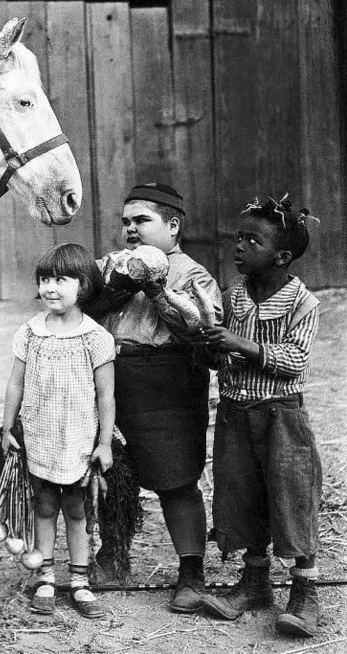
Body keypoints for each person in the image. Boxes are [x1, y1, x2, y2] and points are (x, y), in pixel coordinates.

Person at [85, 182, 222, 613]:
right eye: (125, 221)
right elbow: (79, 306)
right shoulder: (113, 265)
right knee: (111, 467)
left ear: (173, 225)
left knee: (176, 478)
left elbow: (203, 332)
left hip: (167, 380)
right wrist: (111, 286)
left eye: (142, 220)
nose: (130, 229)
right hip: (109, 377)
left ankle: (191, 574)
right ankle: (112, 555)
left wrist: (157, 287)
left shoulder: (193, 274)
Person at [198, 195, 322, 637]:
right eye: (239, 237)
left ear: (282, 256)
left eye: (252, 241)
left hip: (281, 417)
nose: (239, 247)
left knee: (290, 496)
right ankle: (254, 583)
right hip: (235, 413)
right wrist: (212, 344)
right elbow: (221, 361)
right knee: (240, 493)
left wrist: (240, 344)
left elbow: (295, 361)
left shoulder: (301, 302)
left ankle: (304, 591)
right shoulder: (231, 298)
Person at [2, 243, 115, 619]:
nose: (50, 288)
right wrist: (7, 428)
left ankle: (80, 581)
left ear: (82, 286)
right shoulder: (30, 332)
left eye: (60, 280)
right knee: (45, 503)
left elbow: (105, 393)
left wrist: (104, 442)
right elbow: (15, 384)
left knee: (78, 509)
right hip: (39, 437)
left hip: (80, 439)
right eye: (44, 279)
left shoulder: (95, 337)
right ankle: (46, 575)